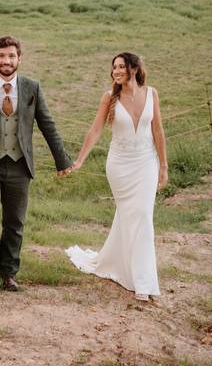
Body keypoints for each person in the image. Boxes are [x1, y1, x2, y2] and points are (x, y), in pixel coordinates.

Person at [0, 35, 72, 291]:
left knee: (15, 222)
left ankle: (8, 273)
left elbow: (47, 124)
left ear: (19, 58)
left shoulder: (32, 87)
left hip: (20, 164)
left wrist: (62, 160)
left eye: (11, 56)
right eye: (1, 56)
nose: (6, 61)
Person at [63, 52, 168, 301]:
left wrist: (164, 165)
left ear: (134, 68)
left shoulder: (151, 94)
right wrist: (79, 160)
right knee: (130, 215)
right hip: (120, 166)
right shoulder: (110, 97)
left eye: (121, 66)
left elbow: (157, 130)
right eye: (114, 68)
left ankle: (142, 281)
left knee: (142, 215)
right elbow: (96, 128)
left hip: (146, 162)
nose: (116, 71)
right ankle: (132, 273)